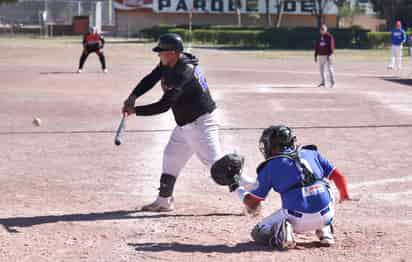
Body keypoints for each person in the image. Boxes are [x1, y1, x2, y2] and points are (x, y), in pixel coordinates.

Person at [122, 33, 222, 212]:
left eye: (162, 52)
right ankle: (163, 200)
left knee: (217, 166)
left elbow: (164, 106)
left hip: (200, 123)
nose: (159, 55)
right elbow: (151, 78)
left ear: (173, 53)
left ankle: (251, 193)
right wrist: (133, 96)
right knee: (171, 156)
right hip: (185, 123)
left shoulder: (182, 72)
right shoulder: (171, 63)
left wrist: (136, 111)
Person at [211, 125, 353, 250]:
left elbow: (253, 203)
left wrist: (235, 186)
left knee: (258, 232)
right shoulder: (311, 153)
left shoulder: (270, 166)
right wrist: (344, 195)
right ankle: (325, 230)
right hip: (328, 213)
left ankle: (284, 233)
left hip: (298, 219)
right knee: (322, 186)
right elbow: (338, 176)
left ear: (275, 146)